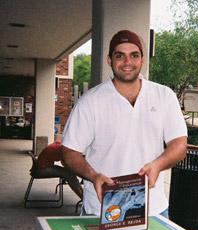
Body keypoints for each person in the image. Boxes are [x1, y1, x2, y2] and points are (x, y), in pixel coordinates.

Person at [62, 29, 187, 216]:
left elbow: (179, 144)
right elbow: (69, 152)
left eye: (134, 55)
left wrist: (158, 165)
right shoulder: (90, 101)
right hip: (102, 209)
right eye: (120, 55)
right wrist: (93, 176)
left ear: (142, 60)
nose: (128, 62)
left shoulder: (164, 96)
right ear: (109, 60)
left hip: (152, 210)